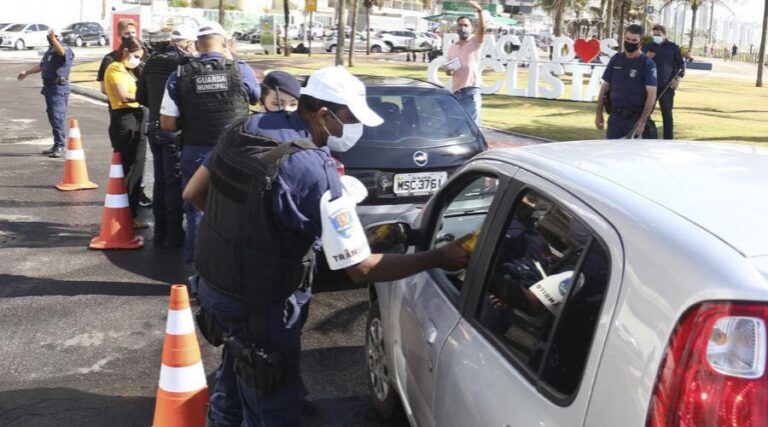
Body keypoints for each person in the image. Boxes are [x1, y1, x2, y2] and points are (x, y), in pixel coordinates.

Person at [182, 65, 471, 426]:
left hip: (215, 286)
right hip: (261, 302)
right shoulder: (310, 168)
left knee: (234, 376)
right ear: (323, 114)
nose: (352, 130)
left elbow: (193, 193)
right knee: (272, 402)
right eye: (349, 119)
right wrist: (439, 257)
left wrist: (249, 231)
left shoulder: (244, 128)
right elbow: (360, 269)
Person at [160, 22, 260, 264]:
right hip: (235, 152)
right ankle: (231, 266)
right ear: (224, 43)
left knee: (196, 211)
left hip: (196, 151)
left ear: (196, 46)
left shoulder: (180, 74)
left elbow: (167, 124)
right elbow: (255, 98)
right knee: (237, 208)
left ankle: (197, 268)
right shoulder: (240, 70)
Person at [136, 27, 197, 246]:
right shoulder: (184, 63)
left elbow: (139, 96)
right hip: (174, 128)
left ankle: (160, 231)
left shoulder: (152, 61)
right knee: (173, 182)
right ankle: (173, 233)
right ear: (186, 44)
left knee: (161, 180)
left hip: (154, 126)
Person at [104, 38, 148, 228]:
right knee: (130, 167)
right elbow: (123, 95)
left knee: (136, 165)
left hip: (135, 118)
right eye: (136, 57)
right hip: (126, 119)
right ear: (126, 51)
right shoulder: (115, 68)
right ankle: (127, 215)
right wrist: (148, 98)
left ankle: (128, 213)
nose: (137, 61)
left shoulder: (127, 70)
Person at [17, 29, 74, 158]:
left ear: (59, 37)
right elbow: (42, 66)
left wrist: (54, 39)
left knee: (57, 118)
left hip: (59, 88)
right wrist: (26, 72)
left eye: (53, 36)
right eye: (49, 36)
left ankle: (60, 146)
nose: (50, 38)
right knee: (52, 117)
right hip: (49, 88)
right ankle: (56, 144)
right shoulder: (50, 51)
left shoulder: (64, 49)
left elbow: (62, 52)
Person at [595, 24, 657, 139]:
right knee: (613, 155)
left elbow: (652, 95)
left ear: (641, 42)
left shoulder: (647, 64)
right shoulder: (616, 59)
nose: (630, 42)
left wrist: (642, 121)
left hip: (635, 119)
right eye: (627, 39)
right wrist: (599, 114)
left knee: (633, 156)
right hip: (615, 119)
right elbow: (604, 88)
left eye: (634, 40)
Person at [444, 0, 485, 125]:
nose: (463, 28)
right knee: (457, 125)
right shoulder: (452, 47)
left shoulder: (475, 41)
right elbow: (447, 70)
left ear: (471, 28)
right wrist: (448, 70)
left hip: (471, 91)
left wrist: (479, 10)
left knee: (473, 126)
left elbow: (482, 28)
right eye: (460, 25)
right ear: (457, 27)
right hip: (456, 92)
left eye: (466, 25)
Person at [644, 24, 685, 140]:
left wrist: (677, 80)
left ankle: (668, 140)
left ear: (664, 35)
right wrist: (646, 57)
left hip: (667, 87)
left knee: (667, 115)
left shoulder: (673, 48)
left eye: (659, 35)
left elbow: (681, 66)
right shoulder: (648, 47)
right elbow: (639, 63)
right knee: (645, 113)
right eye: (655, 35)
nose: (656, 37)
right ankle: (648, 135)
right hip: (650, 87)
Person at [97, 19, 138, 96]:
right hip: (120, 105)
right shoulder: (109, 59)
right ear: (120, 35)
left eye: (133, 33)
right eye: (127, 33)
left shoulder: (142, 57)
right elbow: (104, 89)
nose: (131, 36)